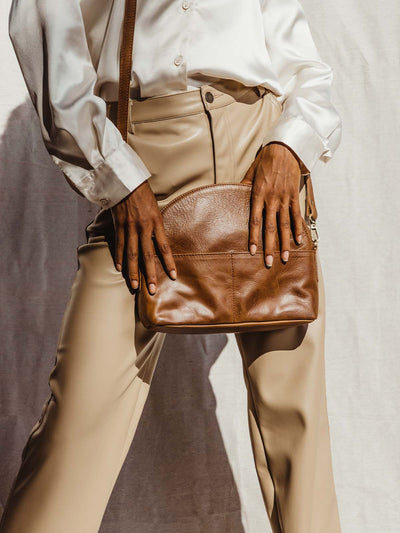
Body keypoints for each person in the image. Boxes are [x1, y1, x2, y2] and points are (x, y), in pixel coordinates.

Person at [1, 1, 342, 532]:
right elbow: (51, 46)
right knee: (76, 424)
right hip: (143, 164)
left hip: (261, 158)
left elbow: (305, 67)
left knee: (296, 433)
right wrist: (118, 177)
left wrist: (291, 144)